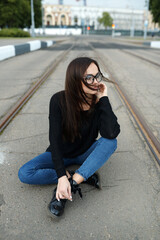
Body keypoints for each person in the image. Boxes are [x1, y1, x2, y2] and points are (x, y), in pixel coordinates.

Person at [18, 57, 120, 218]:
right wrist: (60, 175)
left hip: (85, 152)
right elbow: (55, 140)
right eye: (89, 78)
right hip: (61, 154)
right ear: (75, 80)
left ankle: (71, 185)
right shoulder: (58, 100)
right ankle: (78, 176)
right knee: (25, 173)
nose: (95, 81)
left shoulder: (98, 102)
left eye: (97, 76)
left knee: (110, 142)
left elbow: (111, 133)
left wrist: (104, 99)